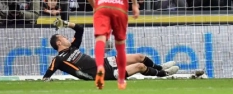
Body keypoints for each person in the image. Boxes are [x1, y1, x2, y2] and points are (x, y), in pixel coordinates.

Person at [43, 19, 179, 82]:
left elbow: (80, 29)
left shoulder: (73, 47)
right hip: (104, 73)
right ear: (59, 42)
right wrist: (46, 80)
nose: (67, 38)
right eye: (63, 37)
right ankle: (164, 73)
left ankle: (161, 66)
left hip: (106, 62)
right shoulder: (59, 59)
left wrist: (65, 24)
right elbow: (47, 76)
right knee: (140, 66)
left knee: (140, 57)